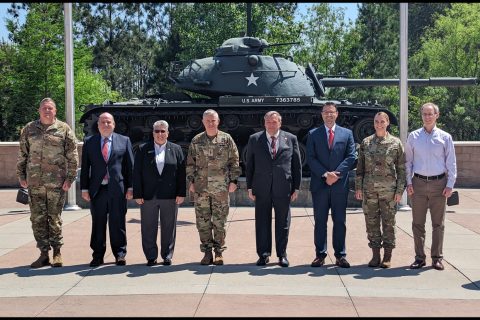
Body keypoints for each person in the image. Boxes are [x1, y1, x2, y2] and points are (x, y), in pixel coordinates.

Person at [16, 98, 79, 268]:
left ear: (55, 111)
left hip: (56, 184)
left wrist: (70, 178)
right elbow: (23, 154)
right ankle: (43, 254)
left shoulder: (64, 129)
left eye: (50, 108)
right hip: (34, 182)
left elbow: (72, 156)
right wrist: (21, 176)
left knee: (55, 218)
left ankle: (57, 252)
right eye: (44, 108)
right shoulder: (29, 129)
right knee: (37, 219)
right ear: (39, 110)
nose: (47, 111)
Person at [245, 111, 302, 267]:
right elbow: (250, 165)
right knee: (262, 222)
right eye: (268, 122)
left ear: (280, 123)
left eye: (274, 122)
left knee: (283, 222)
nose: (271, 125)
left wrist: (296, 187)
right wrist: (249, 186)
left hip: (284, 187)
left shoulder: (290, 139)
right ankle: (263, 254)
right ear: (264, 123)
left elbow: (296, 165)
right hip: (261, 187)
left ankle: (282, 255)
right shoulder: (255, 139)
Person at [405, 102, 457, 271]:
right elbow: (408, 162)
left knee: (438, 224)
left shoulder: (445, 137)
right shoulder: (413, 136)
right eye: (424, 114)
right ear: (421, 116)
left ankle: (437, 258)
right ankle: (419, 258)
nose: (427, 117)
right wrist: (409, 182)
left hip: (439, 184)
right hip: (418, 183)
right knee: (417, 223)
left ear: (437, 115)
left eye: (430, 114)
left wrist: (450, 184)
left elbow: (451, 163)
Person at [186, 109, 241, 265]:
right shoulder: (196, 141)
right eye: (208, 120)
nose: (210, 123)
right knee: (202, 222)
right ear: (203, 122)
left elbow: (234, 161)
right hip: (201, 189)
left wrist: (233, 181)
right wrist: (191, 181)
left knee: (219, 222)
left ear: (218, 121)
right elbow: (190, 163)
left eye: (213, 120)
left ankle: (218, 252)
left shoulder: (226, 139)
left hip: (221, 189)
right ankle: (207, 253)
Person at [306, 102, 356, 268]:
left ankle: (340, 255)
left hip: (339, 185)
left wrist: (336, 174)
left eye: (331, 112)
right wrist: (325, 174)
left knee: (339, 221)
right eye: (326, 112)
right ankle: (320, 254)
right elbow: (311, 158)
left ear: (337, 114)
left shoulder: (347, 134)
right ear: (321, 114)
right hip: (320, 184)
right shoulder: (313, 134)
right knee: (320, 221)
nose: (329, 115)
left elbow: (350, 157)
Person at [80, 112, 134, 267]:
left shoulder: (124, 141)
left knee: (118, 223)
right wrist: (84, 188)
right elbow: (85, 168)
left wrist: (131, 187)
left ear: (114, 124)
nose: (105, 125)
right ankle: (97, 255)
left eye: (108, 122)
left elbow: (130, 167)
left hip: (118, 189)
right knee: (98, 223)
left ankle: (120, 254)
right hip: (97, 189)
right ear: (98, 125)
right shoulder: (90, 142)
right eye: (102, 122)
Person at [355, 112, 406, 268]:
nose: (379, 124)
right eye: (377, 121)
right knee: (371, 223)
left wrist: (399, 191)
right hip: (369, 190)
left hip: (389, 191)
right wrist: (358, 187)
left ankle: (387, 256)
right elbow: (360, 168)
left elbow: (402, 169)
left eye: (382, 121)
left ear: (387, 122)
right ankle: (375, 255)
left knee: (389, 223)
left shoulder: (395, 143)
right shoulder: (366, 142)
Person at [133, 120, 186, 266]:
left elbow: (181, 173)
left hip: (170, 195)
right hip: (148, 196)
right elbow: (136, 173)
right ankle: (151, 256)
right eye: (157, 131)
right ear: (153, 133)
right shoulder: (143, 149)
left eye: (163, 131)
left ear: (168, 133)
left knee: (169, 226)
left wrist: (181, 193)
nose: (160, 134)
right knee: (148, 226)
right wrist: (137, 194)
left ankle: (167, 255)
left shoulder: (176, 149)